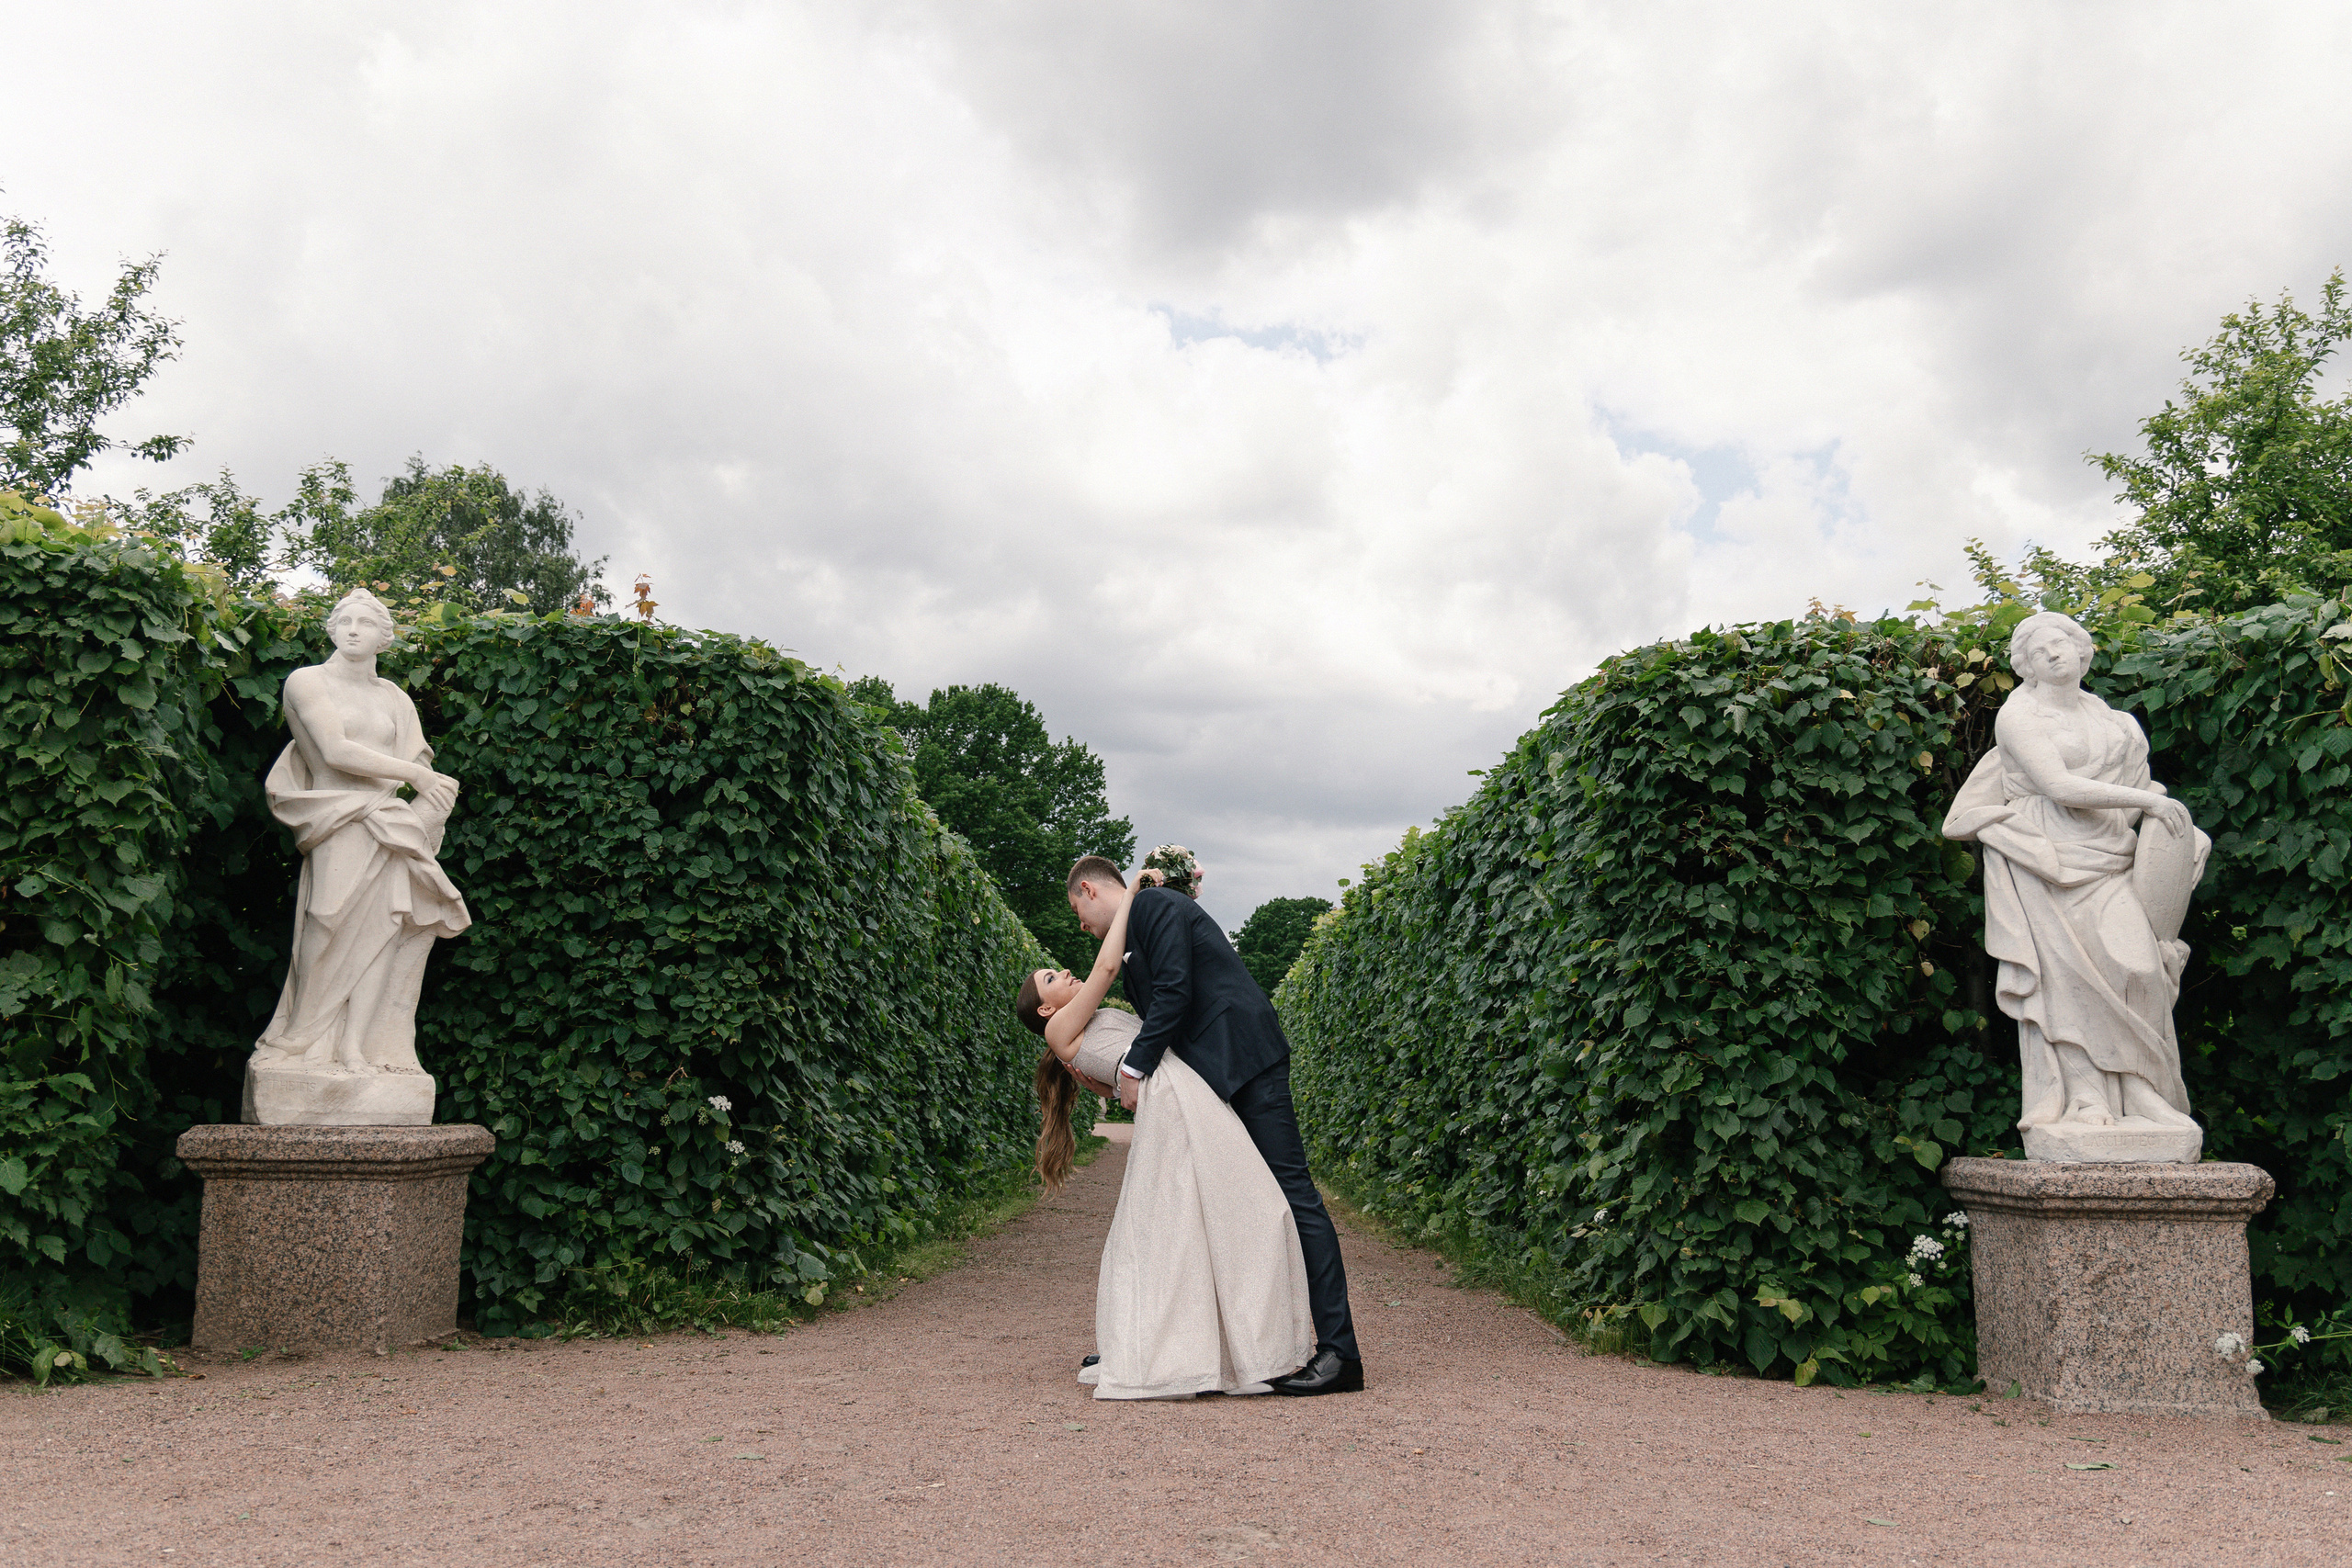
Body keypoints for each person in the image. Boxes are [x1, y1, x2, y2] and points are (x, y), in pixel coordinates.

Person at [1017, 867, 1315, 1399]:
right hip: (1175, 1098)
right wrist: (1134, 894)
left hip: (1181, 1088)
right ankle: (1192, 1344)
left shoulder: (1079, 1031)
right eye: (1051, 979)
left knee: (1201, 1221)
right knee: (1215, 1217)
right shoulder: (1062, 1028)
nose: (1064, 971)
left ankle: (1211, 1340)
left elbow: (1134, 1040)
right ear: (1045, 1010)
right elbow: (1108, 965)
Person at [1069, 855, 1363, 1395]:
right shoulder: (1136, 929)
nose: (1082, 926)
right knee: (1227, 1209)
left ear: (1088, 889)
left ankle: (1341, 1354)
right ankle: (1204, 1345)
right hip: (1217, 1077)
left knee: (1295, 1197)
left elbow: (1176, 992)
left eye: (1078, 912)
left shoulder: (1156, 905)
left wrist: (1133, 1069)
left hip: (1246, 1062)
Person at [1942, 610, 2210, 1142]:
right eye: (2039, 650)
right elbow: (2060, 785)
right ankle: (2085, 1095)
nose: (2055, 652)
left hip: (2110, 854)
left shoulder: (2119, 724)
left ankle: (2141, 1091)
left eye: (2063, 641)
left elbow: (2136, 804)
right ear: (2026, 667)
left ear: (2084, 650)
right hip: (2047, 856)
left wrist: (2176, 840)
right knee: (2065, 981)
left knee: (2138, 966)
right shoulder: (2019, 717)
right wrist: (2149, 802)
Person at [252, 587, 470, 1074]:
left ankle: (355, 1046)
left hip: (390, 822)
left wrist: (433, 795)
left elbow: (420, 762)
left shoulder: (395, 698)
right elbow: (334, 751)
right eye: (344, 621)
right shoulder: (308, 682)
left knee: (383, 929)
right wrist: (414, 776)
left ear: (383, 638)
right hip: (339, 817)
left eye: (365, 623)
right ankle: (303, 1034)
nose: (352, 630)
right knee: (327, 919)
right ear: (331, 630)